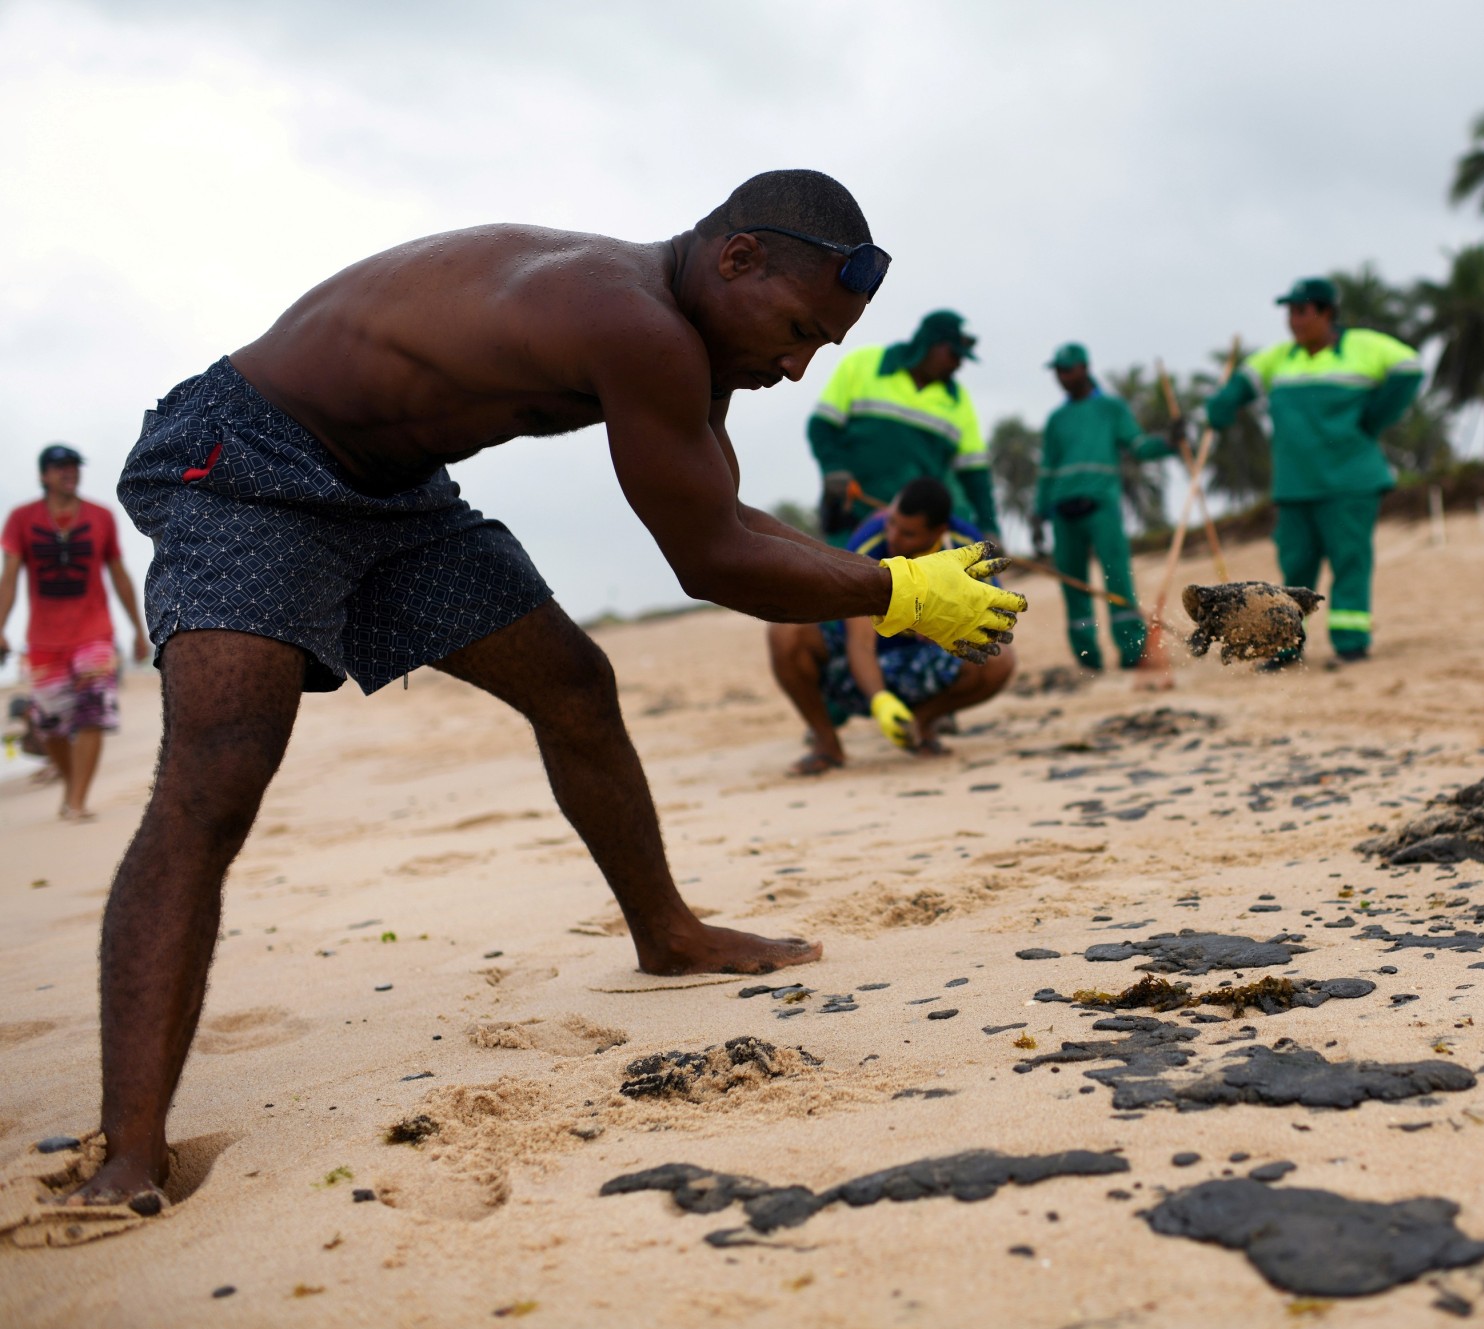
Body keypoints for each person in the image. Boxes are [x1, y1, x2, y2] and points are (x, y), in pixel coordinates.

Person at [76, 169, 1027, 1207]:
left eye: (819, 348)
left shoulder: (694, 346)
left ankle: (665, 933)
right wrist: (895, 589)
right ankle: (129, 1150)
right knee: (216, 779)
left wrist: (895, 587)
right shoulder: (637, 322)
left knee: (574, 682)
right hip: (247, 457)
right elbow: (709, 562)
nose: (796, 366)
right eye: (796, 328)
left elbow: (732, 519)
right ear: (736, 258)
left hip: (393, 496)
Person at [1204, 277, 1422, 667]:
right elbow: (1241, 385)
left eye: (1302, 310)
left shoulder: (1362, 346)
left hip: (1351, 482)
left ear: (1326, 313)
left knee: (1349, 561)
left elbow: (1410, 367)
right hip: (1294, 485)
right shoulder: (1279, 359)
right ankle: (1286, 645)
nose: (1294, 320)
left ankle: (1351, 642)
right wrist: (1222, 404)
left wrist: (1374, 419)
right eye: (1289, 312)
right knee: (1296, 568)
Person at [768, 478, 1013, 774]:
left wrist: (946, 626)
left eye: (908, 533)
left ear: (938, 531)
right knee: (784, 633)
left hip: (923, 665)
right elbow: (859, 641)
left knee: (999, 660)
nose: (894, 536)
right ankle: (826, 744)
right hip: (858, 664)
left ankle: (921, 724)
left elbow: (995, 624)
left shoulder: (969, 549)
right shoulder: (869, 542)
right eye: (892, 523)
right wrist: (880, 701)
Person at [0, 444, 150, 820]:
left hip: (94, 635)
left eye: (74, 467)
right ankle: (71, 785)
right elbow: (9, 579)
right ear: (44, 475)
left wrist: (137, 628)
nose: (70, 472)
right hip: (44, 640)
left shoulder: (100, 517)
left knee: (92, 715)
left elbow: (118, 574)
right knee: (49, 726)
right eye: (61, 467)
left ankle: (77, 801)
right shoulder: (21, 519)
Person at [1032, 343, 1177, 670]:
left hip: (1101, 508)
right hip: (1062, 511)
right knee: (1072, 586)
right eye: (1057, 371)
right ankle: (1087, 658)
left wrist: (1168, 443)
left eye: (1066, 369)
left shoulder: (1112, 409)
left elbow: (1138, 447)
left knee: (1117, 580)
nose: (1061, 377)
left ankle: (1131, 651)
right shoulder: (1056, 419)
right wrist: (1037, 514)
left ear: (1084, 368)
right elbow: (1047, 470)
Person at [807, 309, 996, 544]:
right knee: (843, 576)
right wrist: (832, 467)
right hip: (852, 514)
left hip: (914, 532)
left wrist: (989, 527)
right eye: (954, 354)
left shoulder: (958, 401)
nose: (958, 364)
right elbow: (822, 426)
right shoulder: (863, 365)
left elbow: (974, 473)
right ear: (931, 343)